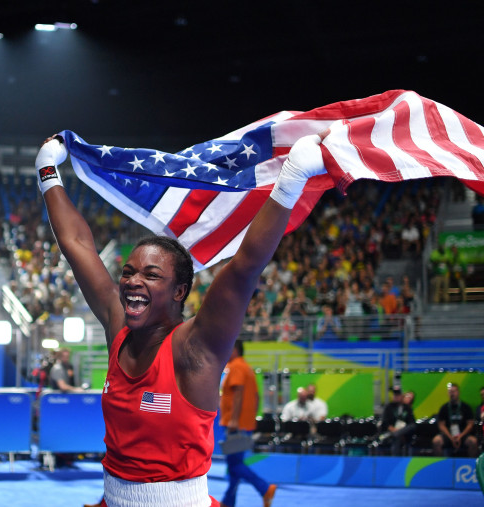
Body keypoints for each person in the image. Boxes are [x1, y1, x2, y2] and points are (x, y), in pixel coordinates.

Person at [36, 128, 327, 505]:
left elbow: (244, 268)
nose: (132, 281)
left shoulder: (195, 348)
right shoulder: (118, 325)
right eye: (128, 272)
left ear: (179, 292)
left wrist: (291, 179)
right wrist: (47, 171)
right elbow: (76, 245)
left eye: (151, 275)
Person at [218, 340, 276, 507]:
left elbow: (238, 394)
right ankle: (228, 502)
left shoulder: (235, 367)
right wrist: (249, 419)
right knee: (235, 465)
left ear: (234, 349)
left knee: (235, 466)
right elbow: (256, 397)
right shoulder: (247, 368)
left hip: (235, 424)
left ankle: (264, 489)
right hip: (245, 424)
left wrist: (235, 420)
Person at [432, 383, 478, 457]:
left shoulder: (466, 407)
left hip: (463, 434)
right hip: (448, 435)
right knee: (436, 441)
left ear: (458, 392)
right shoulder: (444, 408)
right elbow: (441, 425)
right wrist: (451, 437)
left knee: (473, 441)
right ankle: (438, 464)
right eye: (450, 392)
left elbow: (470, 424)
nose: (452, 394)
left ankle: (472, 465)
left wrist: (460, 436)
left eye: (454, 391)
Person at [379, 386, 416, 456]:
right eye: (394, 395)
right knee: (396, 436)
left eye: (398, 395)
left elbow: (411, 423)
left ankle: (397, 433)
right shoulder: (388, 407)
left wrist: (400, 431)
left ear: (402, 396)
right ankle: (395, 459)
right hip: (391, 432)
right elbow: (385, 422)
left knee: (412, 426)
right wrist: (393, 429)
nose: (396, 397)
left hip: (404, 432)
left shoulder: (407, 408)